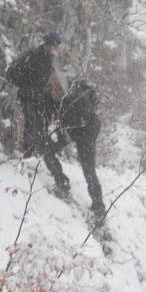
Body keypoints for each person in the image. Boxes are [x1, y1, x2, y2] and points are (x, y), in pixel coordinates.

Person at [6, 30, 69, 193]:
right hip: (28, 96)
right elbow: (14, 74)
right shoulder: (32, 56)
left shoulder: (51, 59)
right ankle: (27, 155)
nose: (56, 48)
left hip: (41, 97)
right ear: (48, 45)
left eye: (57, 46)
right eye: (54, 45)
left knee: (40, 125)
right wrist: (26, 87)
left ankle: (33, 153)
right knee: (31, 124)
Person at [48, 77, 106, 220]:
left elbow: (84, 119)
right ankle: (62, 182)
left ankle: (99, 208)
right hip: (74, 129)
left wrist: (62, 124)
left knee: (88, 169)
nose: (53, 90)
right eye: (52, 87)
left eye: (55, 87)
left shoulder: (76, 94)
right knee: (48, 150)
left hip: (87, 131)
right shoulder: (58, 91)